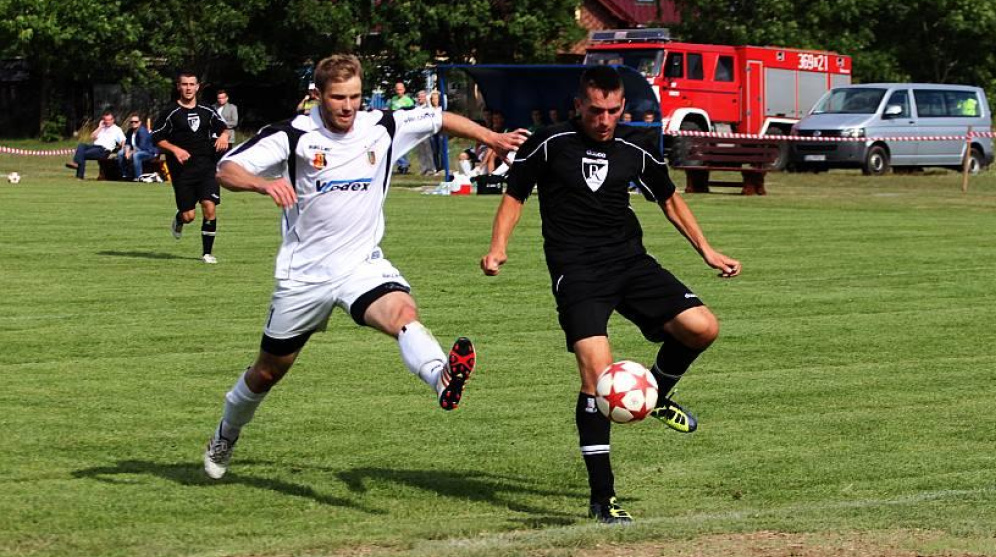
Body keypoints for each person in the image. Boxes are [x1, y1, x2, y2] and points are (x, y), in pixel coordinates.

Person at [203, 54, 527, 481]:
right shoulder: (293, 134)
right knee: (266, 372)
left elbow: (439, 118)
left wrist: (492, 137)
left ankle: (441, 378)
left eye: (355, 96)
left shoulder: (383, 124)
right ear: (318, 95)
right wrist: (263, 183)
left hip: (361, 265)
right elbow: (226, 168)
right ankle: (226, 432)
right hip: (305, 275)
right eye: (338, 97)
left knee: (403, 313)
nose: (348, 106)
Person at [479, 66, 741, 525]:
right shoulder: (549, 142)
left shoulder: (635, 149)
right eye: (595, 110)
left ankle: (654, 394)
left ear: (622, 108)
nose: (604, 120)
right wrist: (499, 246)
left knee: (702, 327)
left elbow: (669, 199)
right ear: (579, 105)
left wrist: (707, 250)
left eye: (613, 111)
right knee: (596, 378)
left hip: (630, 263)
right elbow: (514, 195)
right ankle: (603, 498)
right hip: (577, 273)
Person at [151, 70, 230, 264]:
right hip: (182, 171)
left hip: (207, 166)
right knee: (189, 216)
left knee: (209, 206)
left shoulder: (206, 109)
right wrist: (175, 149)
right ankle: (179, 219)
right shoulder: (170, 112)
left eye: (191, 84)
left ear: (197, 87)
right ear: (179, 87)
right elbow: (157, 138)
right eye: (184, 84)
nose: (188, 88)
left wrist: (224, 136)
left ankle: (207, 253)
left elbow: (223, 127)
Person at [65, 111, 126, 179]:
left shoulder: (117, 129)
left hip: (104, 149)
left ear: (113, 120)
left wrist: (122, 149)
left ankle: (79, 173)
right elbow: (92, 137)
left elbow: (123, 140)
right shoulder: (102, 128)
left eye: (109, 120)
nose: (107, 122)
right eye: (105, 120)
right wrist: (100, 127)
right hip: (94, 147)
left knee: (82, 154)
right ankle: (76, 165)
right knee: (81, 145)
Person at [117, 114, 158, 181]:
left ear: (140, 122)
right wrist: (127, 152)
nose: (133, 123)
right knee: (120, 153)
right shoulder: (130, 131)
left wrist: (130, 153)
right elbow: (127, 143)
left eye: (136, 122)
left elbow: (141, 147)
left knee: (136, 155)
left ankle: (138, 177)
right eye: (132, 122)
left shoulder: (143, 131)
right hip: (136, 150)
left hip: (149, 152)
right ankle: (125, 174)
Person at [388, 81, 417, 174]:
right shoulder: (393, 99)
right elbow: (390, 110)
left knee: (402, 145)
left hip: (404, 126)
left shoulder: (408, 100)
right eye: (397, 89)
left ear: (404, 90)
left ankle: (404, 164)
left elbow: (413, 111)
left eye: (400, 89)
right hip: (395, 125)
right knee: (393, 145)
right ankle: (403, 164)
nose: (399, 91)